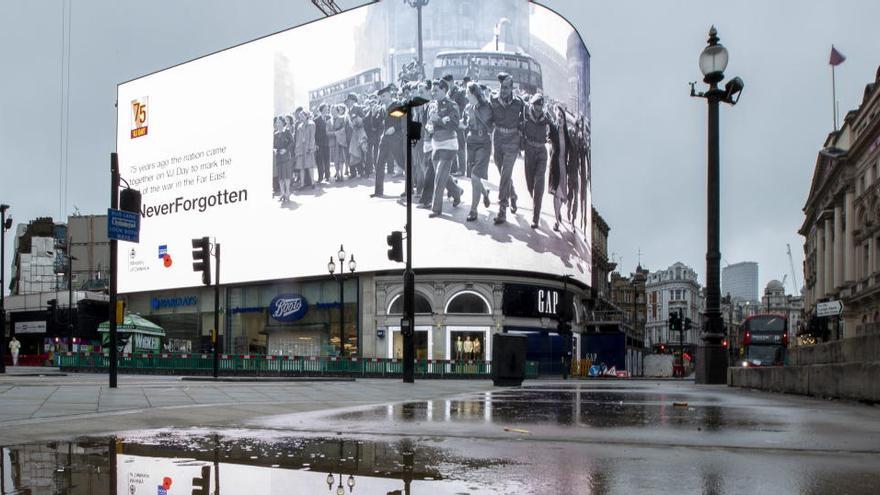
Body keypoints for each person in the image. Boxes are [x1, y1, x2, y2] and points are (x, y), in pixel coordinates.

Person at [488, 72, 524, 224]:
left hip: (512, 141)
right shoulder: (493, 100)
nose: (503, 91)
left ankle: (502, 209)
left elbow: (523, 122)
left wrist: (522, 141)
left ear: (512, 88)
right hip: (498, 139)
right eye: (502, 87)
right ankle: (513, 194)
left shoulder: (519, 103)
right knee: (501, 169)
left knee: (505, 173)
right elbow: (489, 119)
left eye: (507, 88)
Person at [426, 78, 462, 217]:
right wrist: (429, 127)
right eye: (432, 91)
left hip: (449, 145)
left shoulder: (452, 105)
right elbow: (429, 122)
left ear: (444, 90)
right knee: (443, 176)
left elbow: (454, 124)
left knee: (439, 177)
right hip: (436, 144)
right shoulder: (432, 105)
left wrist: (439, 121)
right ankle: (457, 191)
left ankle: (436, 209)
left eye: (436, 90)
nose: (433, 93)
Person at [463, 82, 492, 222]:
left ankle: (473, 210)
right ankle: (485, 193)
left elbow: (490, 122)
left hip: (483, 142)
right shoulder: (468, 107)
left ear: (474, 94)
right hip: (471, 142)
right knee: (474, 177)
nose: (466, 95)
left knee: (475, 176)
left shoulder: (486, 107)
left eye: (468, 93)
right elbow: (463, 122)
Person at [522, 93, 551, 229]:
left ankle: (536, 217)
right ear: (532, 105)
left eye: (540, 106)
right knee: (530, 185)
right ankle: (534, 201)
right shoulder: (526, 116)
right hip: (529, 150)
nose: (538, 109)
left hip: (541, 152)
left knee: (539, 184)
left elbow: (554, 132)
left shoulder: (547, 118)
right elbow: (520, 130)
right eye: (536, 106)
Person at [371, 85, 405, 198]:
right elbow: (374, 126)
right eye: (381, 97)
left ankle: (413, 185)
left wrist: (394, 128)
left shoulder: (397, 106)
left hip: (396, 139)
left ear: (390, 95)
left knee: (402, 163)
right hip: (384, 139)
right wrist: (373, 115)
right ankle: (378, 191)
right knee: (379, 164)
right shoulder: (381, 108)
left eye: (384, 96)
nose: (382, 99)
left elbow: (402, 122)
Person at [549, 105, 573, 232]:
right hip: (555, 167)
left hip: (564, 167)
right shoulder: (553, 130)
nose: (560, 118)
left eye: (562, 116)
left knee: (562, 195)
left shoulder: (568, 135)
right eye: (558, 116)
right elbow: (548, 134)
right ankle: (556, 221)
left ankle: (558, 214)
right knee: (557, 194)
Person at [444, 74, 468, 177]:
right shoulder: (448, 92)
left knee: (461, 146)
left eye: (447, 83)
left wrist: (459, 120)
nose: (446, 85)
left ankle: (462, 169)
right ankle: (454, 168)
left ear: (452, 81)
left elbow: (462, 107)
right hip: (450, 123)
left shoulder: (459, 92)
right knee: (452, 145)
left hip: (457, 122)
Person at [345, 93, 368, 179]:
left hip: (357, 133)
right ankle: (353, 172)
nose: (349, 102)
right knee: (351, 153)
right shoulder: (347, 111)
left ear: (354, 100)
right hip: (349, 135)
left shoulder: (358, 108)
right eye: (348, 101)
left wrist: (357, 121)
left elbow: (364, 118)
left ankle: (362, 171)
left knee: (359, 152)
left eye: (351, 100)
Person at [293, 108, 317, 189]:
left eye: (302, 115)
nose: (301, 117)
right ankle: (302, 184)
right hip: (301, 148)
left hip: (308, 147)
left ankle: (313, 183)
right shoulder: (299, 126)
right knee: (301, 167)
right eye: (300, 116)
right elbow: (298, 139)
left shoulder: (311, 124)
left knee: (310, 166)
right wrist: (297, 149)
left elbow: (312, 137)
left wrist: (310, 147)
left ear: (306, 116)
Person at [273, 116, 293, 204]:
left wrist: (286, 149)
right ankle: (282, 193)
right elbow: (273, 146)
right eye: (276, 122)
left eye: (279, 122)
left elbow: (292, 142)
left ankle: (288, 192)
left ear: (283, 122)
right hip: (278, 157)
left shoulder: (287, 131)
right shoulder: (275, 134)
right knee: (280, 176)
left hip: (286, 156)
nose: (278, 124)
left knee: (286, 175)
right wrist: (275, 150)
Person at [314, 103, 331, 183]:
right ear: (321, 109)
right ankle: (320, 177)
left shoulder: (329, 118)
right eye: (325, 108)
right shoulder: (316, 120)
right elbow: (314, 134)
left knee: (327, 160)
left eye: (327, 108)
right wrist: (316, 144)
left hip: (327, 142)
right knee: (319, 161)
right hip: (319, 143)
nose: (327, 109)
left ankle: (327, 176)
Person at [332, 104, 349, 181]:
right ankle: (338, 174)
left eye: (335, 111)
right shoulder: (331, 120)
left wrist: (338, 133)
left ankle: (341, 174)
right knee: (336, 158)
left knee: (341, 158)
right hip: (335, 141)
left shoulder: (342, 118)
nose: (334, 112)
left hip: (341, 140)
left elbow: (344, 129)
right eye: (333, 111)